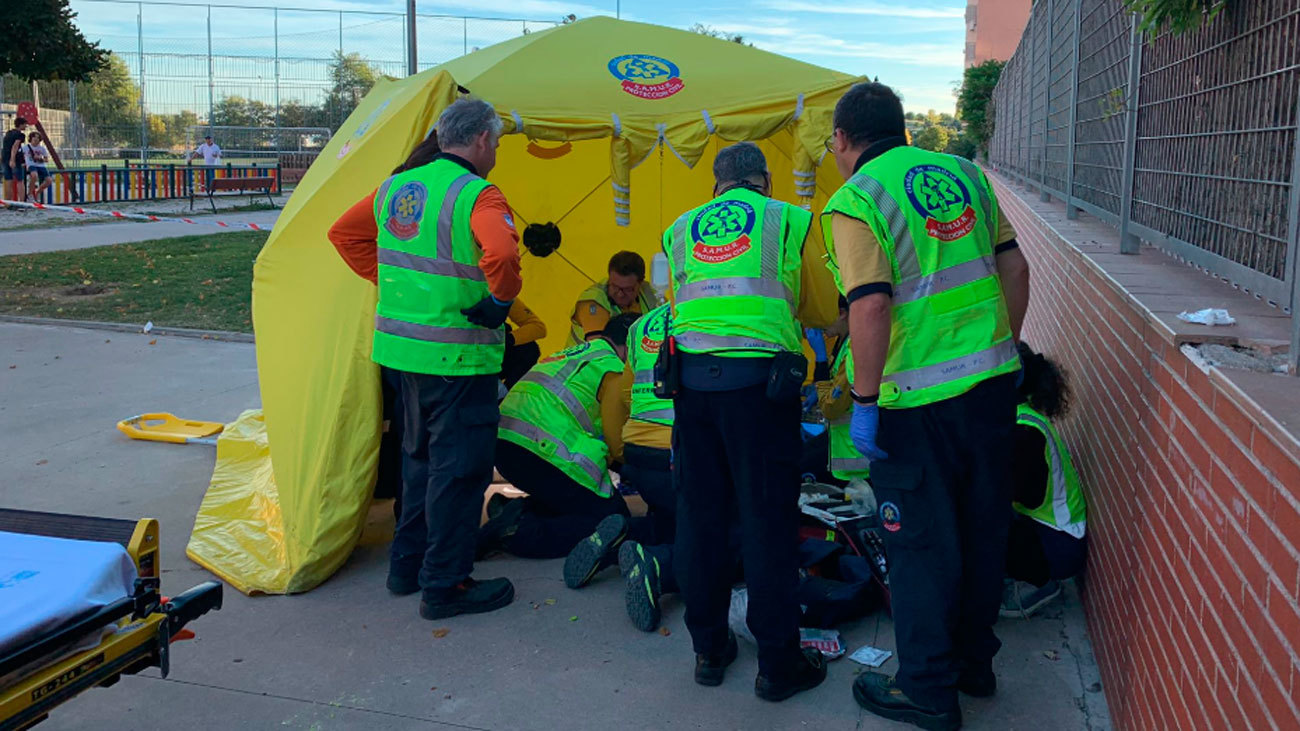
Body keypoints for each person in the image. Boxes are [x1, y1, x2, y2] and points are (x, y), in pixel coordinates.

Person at [821, 82, 1030, 730]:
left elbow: (872, 303)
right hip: (991, 389)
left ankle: (928, 691)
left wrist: (863, 399)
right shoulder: (965, 172)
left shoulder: (857, 198)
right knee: (980, 532)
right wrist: (1004, 351)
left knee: (918, 548)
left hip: (915, 406)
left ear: (843, 140)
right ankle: (975, 665)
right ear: (902, 127)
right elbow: (1016, 270)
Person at [664, 141, 838, 701]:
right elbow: (821, 308)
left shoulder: (681, 227)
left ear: (716, 186)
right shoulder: (789, 220)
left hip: (691, 386)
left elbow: (681, 303)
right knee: (766, 523)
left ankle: (709, 650)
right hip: (760, 391)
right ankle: (778, 665)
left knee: (701, 517)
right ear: (764, 179)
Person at [338, 98, 521, 620]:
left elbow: (344, 235)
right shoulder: (477, 195)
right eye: (499, 143)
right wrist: (500, 302)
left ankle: (407, 566)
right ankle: (445, 585)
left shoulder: (398, 187)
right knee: (459, 473)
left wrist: (398, 286)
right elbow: (503, 255)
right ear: (483, 140)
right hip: (460, 360)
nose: (497, 152)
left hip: (403, 356)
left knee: (416, 462)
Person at [482, 314, 651, 562]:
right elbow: (617, 441)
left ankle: (513, 510)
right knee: (611, 520)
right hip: (541, 448)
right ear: (630, 345)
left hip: (506, 443)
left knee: (574, 501)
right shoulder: (614, 369)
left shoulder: (575, 353)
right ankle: (516, 532)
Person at [1002, 342, 1086, 618]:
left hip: (1057, 544)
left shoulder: (1024, 429)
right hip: (1046, 532)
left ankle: (1040, 584)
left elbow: (1026, 495)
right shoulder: (1018, 417)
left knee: (979, 519)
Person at [567, 250, 660, 345]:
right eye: (614, 286)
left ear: (640, 283)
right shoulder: (593, 302)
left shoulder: (651, 292)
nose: (620, 294)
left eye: (627, 289)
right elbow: (601, 349)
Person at [3, 117, 29, 203]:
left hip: (5, 158)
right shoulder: (20, 135)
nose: (26, 126)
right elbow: (15, 146)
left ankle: (8, 202)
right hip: (14, 159)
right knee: (20, 181)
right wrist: (12, 159)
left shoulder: (8, 133)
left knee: (8, 180)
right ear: (20, 124)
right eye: (25, 124)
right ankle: (22, 202)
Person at [22, 131, 52, 203]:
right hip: (31, 164)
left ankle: (37, 191)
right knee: (34, 175)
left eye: (38, 138)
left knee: (49, 180)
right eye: (34, 137)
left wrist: (40, 158)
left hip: (41, 165)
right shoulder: (25, 147)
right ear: (31, 139)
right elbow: (20, 156)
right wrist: (23, 163)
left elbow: (46, 159)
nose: (36, 139)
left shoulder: (42, 148)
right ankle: (30, 195)